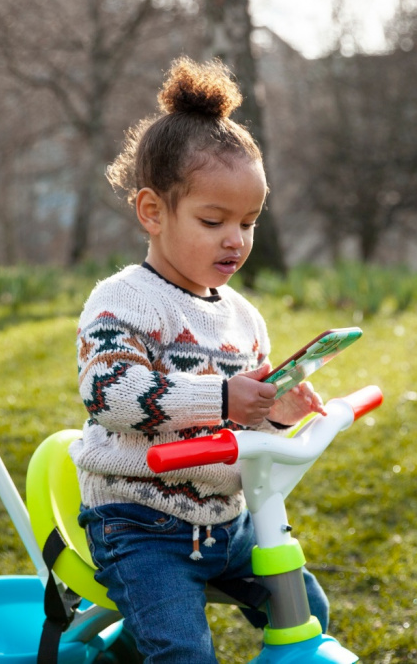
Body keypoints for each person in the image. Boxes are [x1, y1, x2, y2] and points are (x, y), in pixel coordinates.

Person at [70, 56, 330, 663]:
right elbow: (109, 395)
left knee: (306, 612)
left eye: (248, 221)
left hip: (226, 519)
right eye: (213, 221)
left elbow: (244, 422)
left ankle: (125, 651)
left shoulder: (243, 316)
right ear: (153, 213)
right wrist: (221, 396)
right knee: (183, 653)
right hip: (140, 522)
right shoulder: (123, 301)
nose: (235, 239)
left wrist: (277, 412)